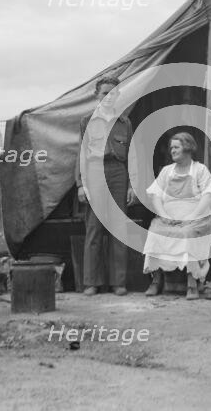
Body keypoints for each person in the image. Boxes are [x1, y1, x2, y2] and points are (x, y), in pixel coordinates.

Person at [75, 76, 136, 296]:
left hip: (118, 174)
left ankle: (118, 282)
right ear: (96, 96)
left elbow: (131, 157)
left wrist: (131, 185)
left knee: (118, 229)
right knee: (94, 228)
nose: (108, 97)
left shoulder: (125, 123)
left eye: (113, 93)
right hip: (95, 173)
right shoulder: (86, 121)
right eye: (104, 93)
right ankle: (91, 282)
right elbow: (81, 155)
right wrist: (81, 184)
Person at [143, 132, 211, 300]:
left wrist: (191, 217)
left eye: (176, 147)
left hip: (197, 219)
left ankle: (192, 282)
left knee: (187, 234)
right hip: (169, 219)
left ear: (188, 148)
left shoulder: (200, 170)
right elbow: (155, 196)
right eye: (171, 148)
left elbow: (207, 197)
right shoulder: (166, 171)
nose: (172, 151)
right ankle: (156, 280)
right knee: (155, 231)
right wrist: (163, 215)